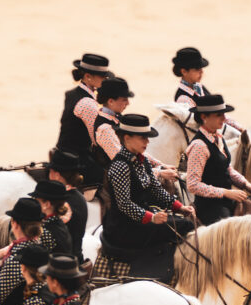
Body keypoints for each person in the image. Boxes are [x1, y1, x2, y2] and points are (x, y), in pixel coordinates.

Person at [92, 114, 195, 282]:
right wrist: (151, 218)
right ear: (127, 137)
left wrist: (179, 207)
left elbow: (155, 190)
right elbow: (124, 204)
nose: (147, 142)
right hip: (124, 227)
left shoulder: (142, 161)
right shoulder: (119, 166)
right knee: (184, 226)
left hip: (140, 221)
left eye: (147, 138)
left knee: (184, 223)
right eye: (142, 138)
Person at [185, 94, 251, 225]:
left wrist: (246, 184)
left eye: (224, 114)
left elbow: (228, 169)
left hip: (226, 202)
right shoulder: (199, 146)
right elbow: (193, 185)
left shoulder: (219, 138)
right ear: (204, 117)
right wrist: (225, 193)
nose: (224, 118)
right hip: (210, 208)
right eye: (219, 115)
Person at [92, 77, 177, 180]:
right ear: (110, 101)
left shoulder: (116, 118)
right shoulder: (105, 129)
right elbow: (123, 162)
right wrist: (159, 173)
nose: (128, 103)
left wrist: (161, 165)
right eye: (124, 100)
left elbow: (135, 151)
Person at [54, 53, 110, 187]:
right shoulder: (87, 103)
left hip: (63, 153)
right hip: (77, 160)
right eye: (102, 76)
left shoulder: (73, 94)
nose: (106, 79)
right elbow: (97, 140)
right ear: (88, 77)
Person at [171, 47, 244, 133]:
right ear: (184, 71)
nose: (201, 72)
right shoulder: (183, 99)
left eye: (201, 69)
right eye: (197, 69)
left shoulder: (199, 87)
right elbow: (198, 125)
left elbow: (217, 111)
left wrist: (238, 127)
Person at [47, 150, 88, 261]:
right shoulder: (80, 197)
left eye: (50, 172)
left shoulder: (60, 202)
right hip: (76, 258)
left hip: (62, 264)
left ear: (56, 175)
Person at [28, 180, 73, 256]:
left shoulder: (44, 231)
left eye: (36, 200)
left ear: (47, 204)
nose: (34, 203)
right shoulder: (59, 224)